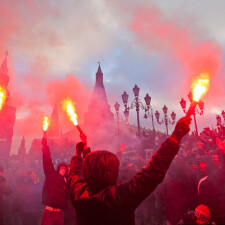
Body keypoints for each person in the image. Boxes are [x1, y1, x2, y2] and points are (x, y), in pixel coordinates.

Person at [68, 116, 192, 225]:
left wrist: (78, 153)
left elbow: (75, 172)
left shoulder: (79, 194)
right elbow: (152, 172)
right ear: (111, 172)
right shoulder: (119, 198)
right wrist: (176, 136)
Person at [40, 137, 70, 225]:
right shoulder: (52, 176)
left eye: (65, 169)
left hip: (60, 213)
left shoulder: (66, 181)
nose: (63, 170)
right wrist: (45, 146)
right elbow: (47, 161)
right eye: (61, 168)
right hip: (50, 212)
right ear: (58, 169)